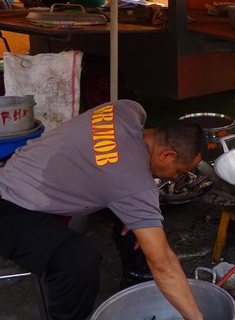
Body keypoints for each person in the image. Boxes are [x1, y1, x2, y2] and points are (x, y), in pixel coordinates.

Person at [0, 99, 208, 320]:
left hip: (25, 169)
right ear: (167, 155)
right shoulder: (132, 182)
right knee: (77, 259)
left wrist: (138, 209)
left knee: (145, 220)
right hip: (8, 203)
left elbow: (119, 167)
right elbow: (163, 262)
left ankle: (137, 280)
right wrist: (197, 317)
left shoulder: (127, 109)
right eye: (179, 171)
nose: (176, 177)